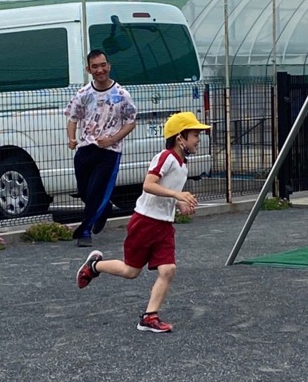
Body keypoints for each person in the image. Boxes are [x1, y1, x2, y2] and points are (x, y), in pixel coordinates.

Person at [75, 112, 211, 333]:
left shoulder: (183, 165)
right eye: (195, 134)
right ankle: (95, 266)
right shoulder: (165, 157)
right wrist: (178, 196)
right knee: (131, 271)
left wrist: (180, 205)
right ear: (180, 138)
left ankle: (149, 317)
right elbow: (148, 185)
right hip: (145, 222)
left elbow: (167, 193)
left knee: (168, 270)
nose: (198, 139)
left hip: (164, 226)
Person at [64, 50, 137, 247]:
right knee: (85, 191)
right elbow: (72, 119)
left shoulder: (121, 94)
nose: (100, 70)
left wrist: (112, 139)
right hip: (86, 148)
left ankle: (84, 231)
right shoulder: (83, 94)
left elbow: (131, 122)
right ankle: (104, 210)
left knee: (98, 190)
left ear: (109, 66)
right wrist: (71, 139)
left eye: (103, 65)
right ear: (89, 69)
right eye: (95, 66)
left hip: (109, 152)